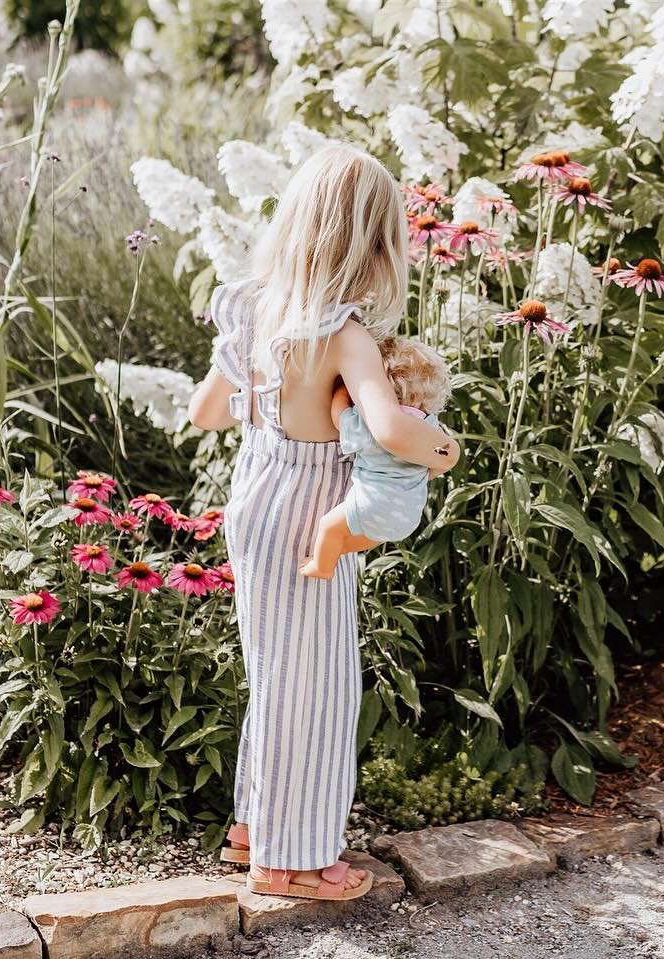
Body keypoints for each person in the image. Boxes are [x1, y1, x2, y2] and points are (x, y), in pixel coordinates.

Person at [188, 144, 460, 901]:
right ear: (375, 245)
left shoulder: (251, 306)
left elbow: (204, 411)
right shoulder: (346, 335)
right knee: (316, 686)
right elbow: (393, 429)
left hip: (257, 495)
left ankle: (253, 827)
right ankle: (290, 859)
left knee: (275, 675)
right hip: (313, 510)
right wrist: (443, 448)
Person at [301, 336, 453, 580]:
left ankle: (322, 566)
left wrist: (344, 387)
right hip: (409, 516)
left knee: (328, 527)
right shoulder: (430, 425)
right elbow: (437, 462)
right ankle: (335, 550)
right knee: (369, 538)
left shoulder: (374, 424)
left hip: (371, 505)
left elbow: (338, 416)